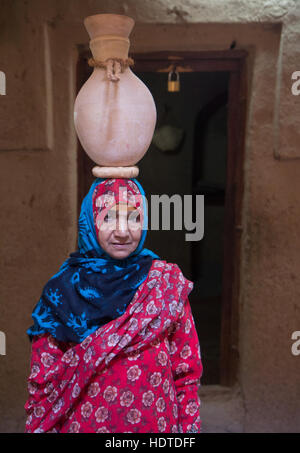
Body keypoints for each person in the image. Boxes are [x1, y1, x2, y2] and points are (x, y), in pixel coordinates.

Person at [24, 178, 203, 433]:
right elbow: (44, 384)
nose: (122, 231)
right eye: (109, 218)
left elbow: (187, 373)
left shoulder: (164, 285)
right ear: (90, 221)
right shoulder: (61, 293)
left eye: (133, 218)